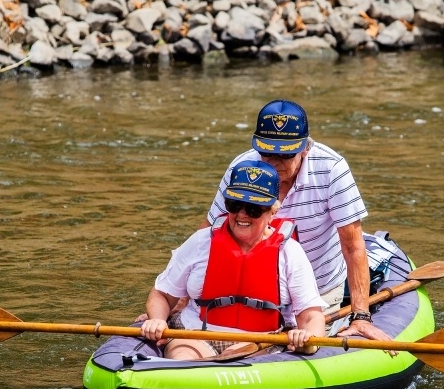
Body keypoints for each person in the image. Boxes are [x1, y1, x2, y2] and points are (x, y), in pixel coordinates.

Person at [203, 99, 394, 344]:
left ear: (305, 148)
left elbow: (353, 245)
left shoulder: (332, 169)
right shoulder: (242, 169)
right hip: (251, 292)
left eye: (285, 155)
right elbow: (210, 232)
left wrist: (360, 317)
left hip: (317, 292)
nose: (273, 162)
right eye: (267, 152)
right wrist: (176, 300)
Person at [140, 160, 326, 360]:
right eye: (234, 205)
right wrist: (157, 320)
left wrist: (308, 338)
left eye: (253, 209)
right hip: (195, 334)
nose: (242, 215)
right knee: (182, 357)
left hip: (260, 341)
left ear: (273, 211)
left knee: (233, 358)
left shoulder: (289, 252)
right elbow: (162, 294)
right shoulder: (201, 241)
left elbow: (310, 316)